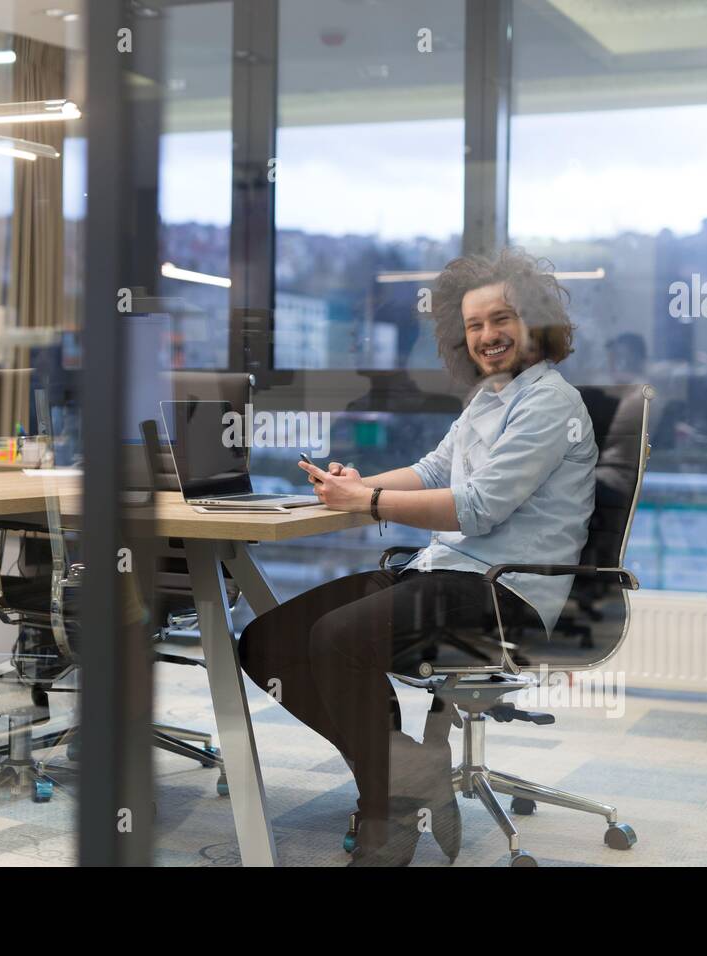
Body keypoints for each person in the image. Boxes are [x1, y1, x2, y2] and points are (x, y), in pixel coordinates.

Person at [237, 248, 597, 866]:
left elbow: (478, 508)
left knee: (336, 640)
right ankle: (411, 771)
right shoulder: (490, 399)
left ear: (534, 321)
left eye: (501, 319)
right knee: (267, 641)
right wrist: (356, 483)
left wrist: (369, 501)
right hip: (446, 573)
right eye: (475, 325)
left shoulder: (549, 403)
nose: (487, 336)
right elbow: (434, 469)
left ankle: (391, 808)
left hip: (505, 592)